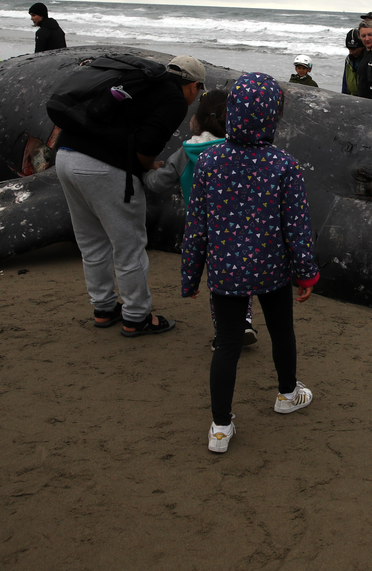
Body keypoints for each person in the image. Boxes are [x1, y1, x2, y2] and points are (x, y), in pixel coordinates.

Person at [181, 72, 319, 454]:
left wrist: (191, 276)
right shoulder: (284, 165)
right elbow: (297, 228)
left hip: (226, 271)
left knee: (226, 345)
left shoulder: (209, 163)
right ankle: (287, 394)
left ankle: (221, 429)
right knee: (281, 332)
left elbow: (197, 226)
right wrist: (306, 272)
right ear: (273, 116)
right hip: (272, 269)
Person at [55, 55, 205, 338]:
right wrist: (149, 166)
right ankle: (136, 316)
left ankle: (103, 309)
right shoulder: (173, 99)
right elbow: (147, 144)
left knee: (91, 241)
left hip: (65, 156)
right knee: (129, 245)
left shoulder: (141, 83)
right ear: (194, 85)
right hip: (104, 168)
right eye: (200, 91)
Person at [143, 90, 259, 351]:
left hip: (203, 227)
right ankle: (245, 321)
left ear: (198, 118)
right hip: (240, 224)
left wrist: (143, 170)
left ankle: (223, 334)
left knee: (217, 281)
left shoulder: (186, 153)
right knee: (240, 273)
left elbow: (157, 184)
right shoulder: (238, 148)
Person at [341, 28, 365, 96]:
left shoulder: (369, 60)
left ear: (362, 47)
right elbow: (345, 84)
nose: (351, 52)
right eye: (349, 49)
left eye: (354, 49)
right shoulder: (348, 60)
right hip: (352, 97)